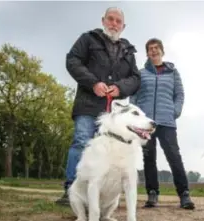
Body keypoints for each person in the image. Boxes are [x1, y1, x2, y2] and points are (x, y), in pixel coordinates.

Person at [55, 7, 141, 206]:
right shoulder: (88, 39)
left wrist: (119, 88)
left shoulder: (129, 51)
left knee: (107, 151)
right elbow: (72, 60)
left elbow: (135, 79)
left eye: (118, 21)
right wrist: (93, 83)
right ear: (103, 21)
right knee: (81, 142)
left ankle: (99, 196)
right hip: (87, 104)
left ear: (123, 26)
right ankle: (71, 191)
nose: (114, 24)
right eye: (110, 19)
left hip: (114, 113)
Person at [130, 38, 195, 210]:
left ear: (162, 51)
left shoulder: (173, 73)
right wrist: (137, 117)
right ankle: (152, 193)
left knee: (174, 156)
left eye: (156, 48)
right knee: (149, 157)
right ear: (147, 53)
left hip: (167, 121)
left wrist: (175, 111)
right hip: (146, 123)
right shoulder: (141, 73)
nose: (153, 51)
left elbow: (179, 94)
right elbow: (134, 97)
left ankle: (184, 194)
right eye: (150, 49)